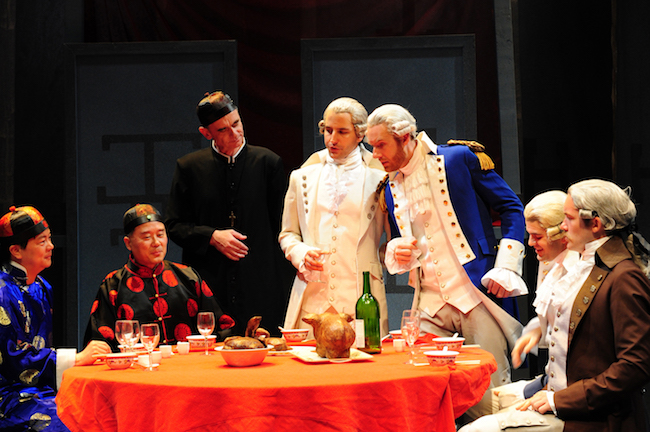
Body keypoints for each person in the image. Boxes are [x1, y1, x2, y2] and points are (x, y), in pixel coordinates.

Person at [366, 104, 526, 419]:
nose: (374, 154)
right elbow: (401, 245)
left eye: (380, 144)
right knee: (425, 393)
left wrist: (505, 264)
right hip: (429, 303)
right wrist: (397, 252)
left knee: (489, 399)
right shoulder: (389, 186)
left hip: (475, 294)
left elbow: (511, 207)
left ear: (405, 137)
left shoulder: (456, 160)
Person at [461, 179, 650, 431]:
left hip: (595, 416)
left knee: (476, 430)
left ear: (595, 224)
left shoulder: (623, 276)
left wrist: (557, 399)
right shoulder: (585, 266)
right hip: (561, 394)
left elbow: (636, 366)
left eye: (568, 219)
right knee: (468, 402)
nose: (562, 226)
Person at [165, 91, 293, 335]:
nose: (234, 133)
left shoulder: (268, 163)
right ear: (206, 134)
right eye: (223, 129)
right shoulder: (189, 167)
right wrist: (211, 236)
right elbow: (174, 225)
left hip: (260, 281)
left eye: (236, 124)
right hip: (210, 283)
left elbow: (284, 227)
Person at [279, 97, 389, 335]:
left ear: (360, 134)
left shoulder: (380, 177)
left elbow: (393, 238)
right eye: (328, 130)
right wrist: (301, 253)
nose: (332, 139)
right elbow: (288, 233)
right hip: (312, 293)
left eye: (342, 132)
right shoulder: (302, 176)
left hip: (360, 294)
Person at [0, 206, 110, 431]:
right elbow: (13, 359)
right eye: (42, 241)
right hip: (7, 394)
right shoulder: (2, 292)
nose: (51, 246)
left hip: (39, 389)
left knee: (100, 412)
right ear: (16, 250)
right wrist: (76, 359)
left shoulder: (41, 286)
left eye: (49, 239)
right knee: (65, 423)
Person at [84, 204, 233, 351]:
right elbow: (100, 344)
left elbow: (222, 327)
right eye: (147, 237)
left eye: (161, 235)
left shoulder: (188, 277)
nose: (156, 243)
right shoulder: (113, 286)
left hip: (187, 369)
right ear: (128, 243)